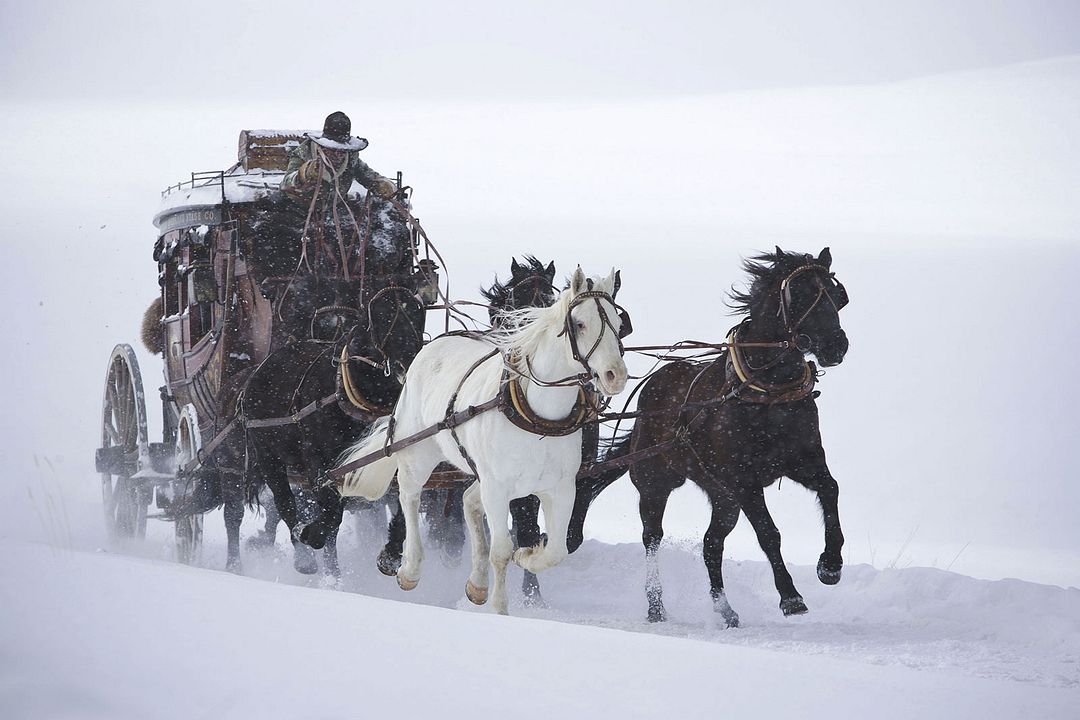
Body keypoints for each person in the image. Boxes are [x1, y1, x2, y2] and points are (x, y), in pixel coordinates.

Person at [281, 111, 397, 199]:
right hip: (297, 208)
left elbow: (369, 176)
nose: (338, 155)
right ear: (322, 146)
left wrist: (383, 185)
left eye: (342, 151)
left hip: (334, 209)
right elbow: (286, 182)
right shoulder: (304, 152)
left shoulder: (350, 159)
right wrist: (304, 174)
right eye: (333, 149)